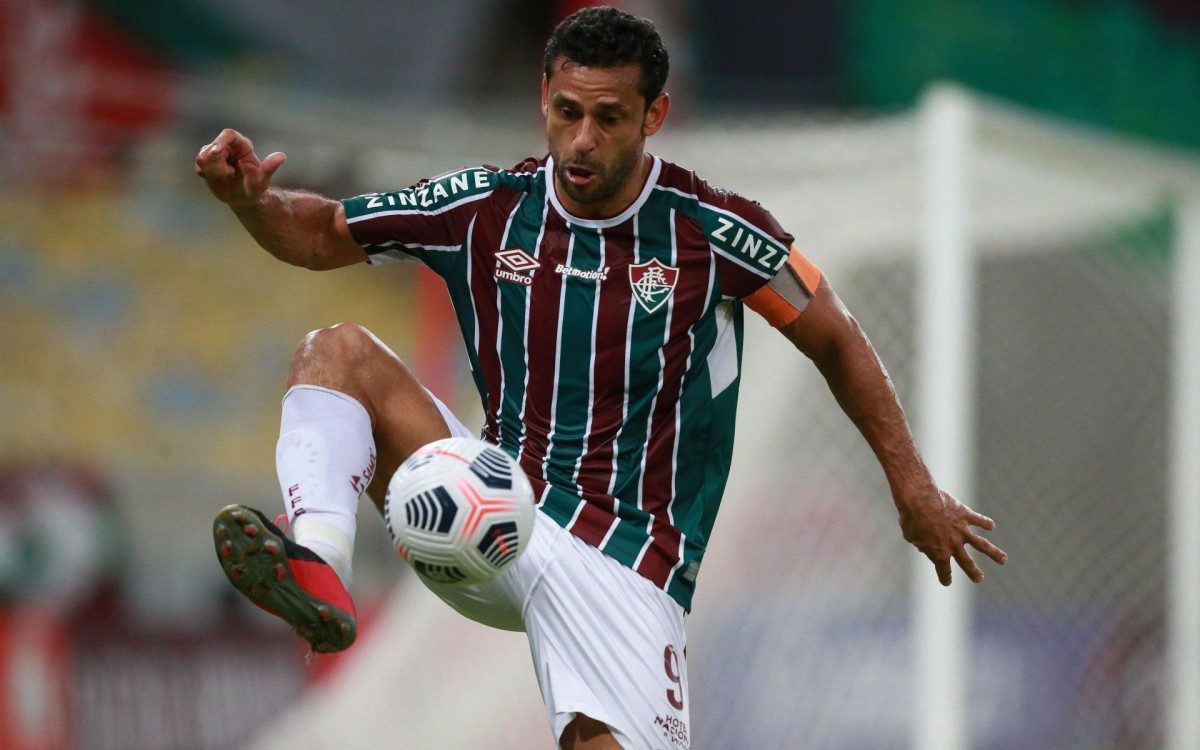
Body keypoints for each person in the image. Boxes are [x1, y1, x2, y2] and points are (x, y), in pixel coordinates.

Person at [195, 7, 1007, 749]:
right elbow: (325, 232)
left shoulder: (712, 231)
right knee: (335, 351)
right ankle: (319, 567)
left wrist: (913, 488)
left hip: (624, 563)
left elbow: (833, 334)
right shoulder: (486, 206)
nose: (582, 139)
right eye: (567, 112)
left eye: (609, 118)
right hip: (491, 509)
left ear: (653, 116)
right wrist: (251, 204)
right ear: (544, 96)